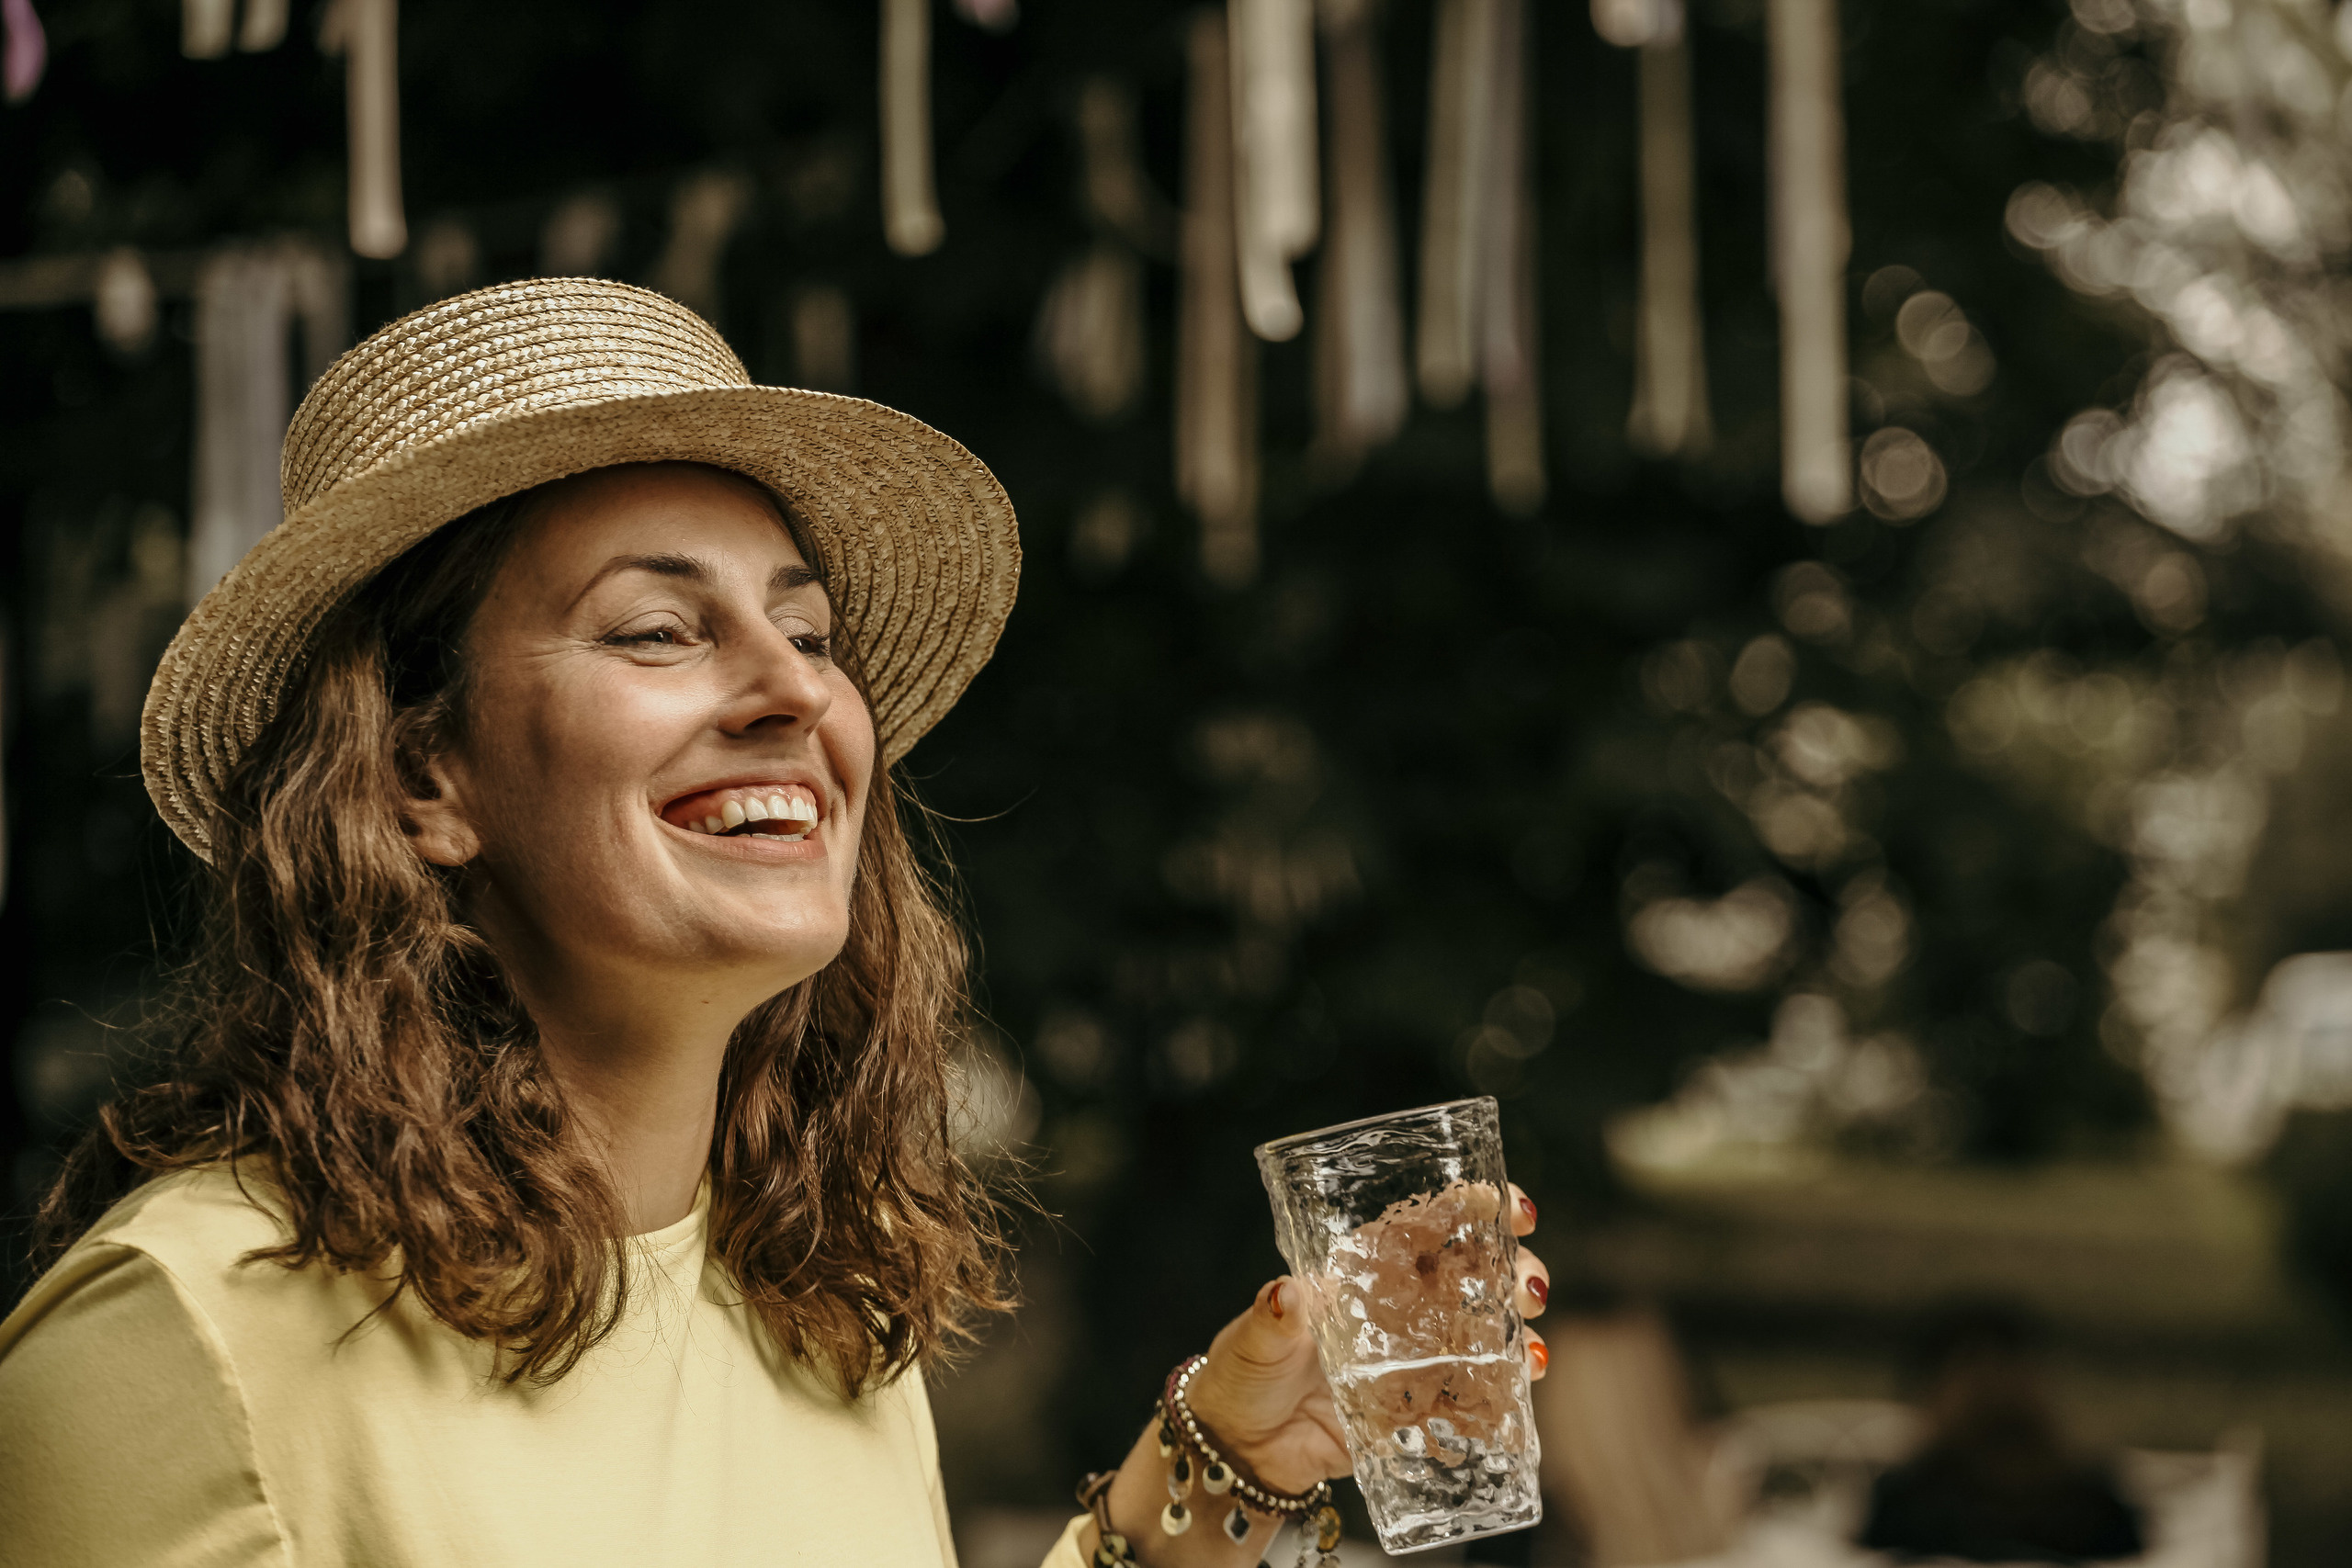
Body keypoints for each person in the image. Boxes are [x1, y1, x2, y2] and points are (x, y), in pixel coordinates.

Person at [0, 278, 1551, 1567]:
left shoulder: (809, 1285)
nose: (795, 687)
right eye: (660, 628)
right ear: (423, 775)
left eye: (807, 632)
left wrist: (1224, 1455)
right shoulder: (181, 1340)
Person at [1859, 1299, 2143, 1564]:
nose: (1996, 1386)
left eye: (2006, 1365)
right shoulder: (1905, 1503)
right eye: (1976, 1369)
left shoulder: (2094, 1503)